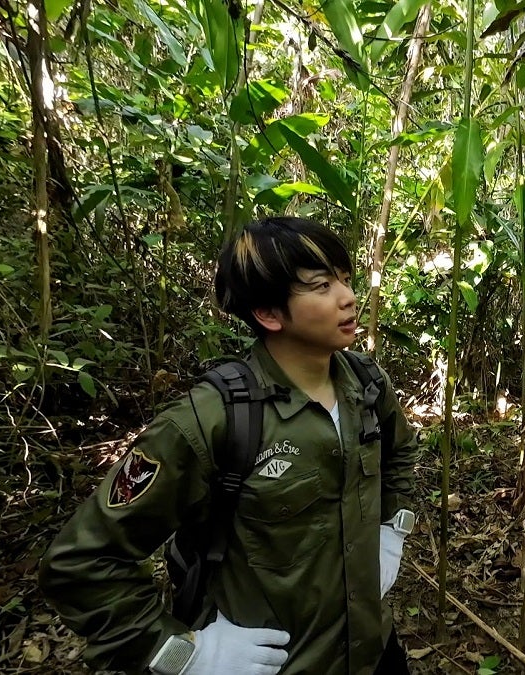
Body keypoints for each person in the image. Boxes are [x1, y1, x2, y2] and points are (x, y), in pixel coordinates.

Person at [40, 217, 419, 675]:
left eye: (344, 279)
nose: (347, 297)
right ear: (269, 313)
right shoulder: (211, 419)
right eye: (320, 286)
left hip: (372, 648)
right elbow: (80, 564)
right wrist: (184, 653)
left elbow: (399, 455)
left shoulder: (366, 384)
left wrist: (392, 528)